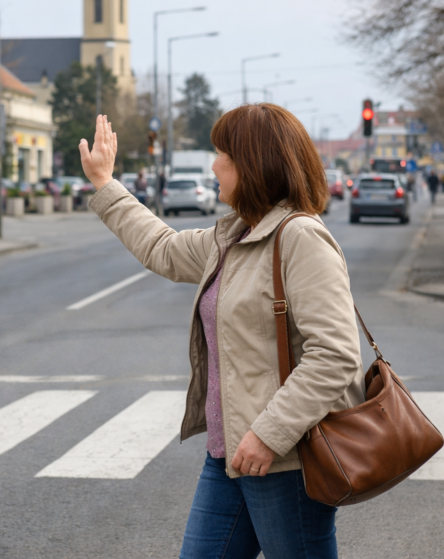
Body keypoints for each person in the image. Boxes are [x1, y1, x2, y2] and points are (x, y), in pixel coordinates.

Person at [80, 106, 363, 559]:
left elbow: (335, 354)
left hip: (284, 459)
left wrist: (268, 434)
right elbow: (163, 248)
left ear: (254, 164)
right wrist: (105, 184)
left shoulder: (300, 238)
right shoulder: (232, 237)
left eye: (223, 155)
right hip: (229, 455)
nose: (213, 165)